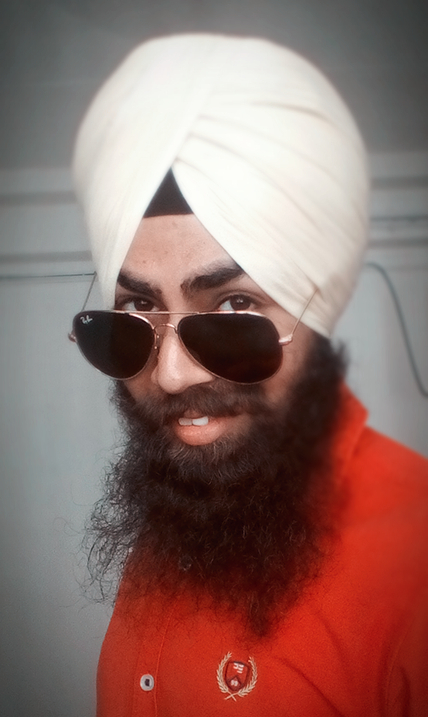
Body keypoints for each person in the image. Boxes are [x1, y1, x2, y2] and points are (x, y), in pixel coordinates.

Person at [70, 34, 428, 716]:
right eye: (138, 310)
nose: (172, 375)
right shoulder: (191, 495)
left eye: (234, 309)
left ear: (314, 313)